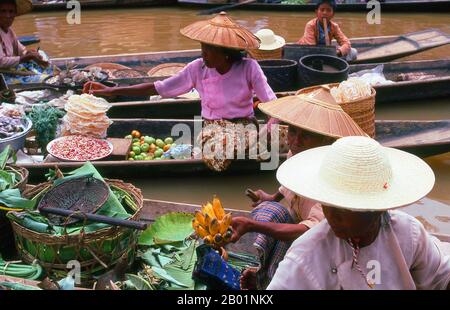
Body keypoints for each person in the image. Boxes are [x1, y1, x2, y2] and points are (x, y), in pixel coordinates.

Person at [83, 12, 277, 172]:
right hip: (213, 128)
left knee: (277, 137)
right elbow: (160, 87)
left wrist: (270, 125)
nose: (203, 54)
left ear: (225, 52)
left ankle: (249, 146)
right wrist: (112, 91)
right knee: (217, 154)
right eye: (202, 48)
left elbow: (271, 101)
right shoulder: (197, 68)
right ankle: (242, 149)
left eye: (209, 50)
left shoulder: (249, 68)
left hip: (244, 127)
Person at [268, 136, 450, 289]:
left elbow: (440, 276)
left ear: (377, 210)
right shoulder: (307, 254)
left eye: (346, 208)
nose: (332, 215)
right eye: (328, 203)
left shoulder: (408, 233)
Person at [230, 90, 367, 289]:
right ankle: (264, 274)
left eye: (306, 136)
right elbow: (289, 186)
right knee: (271, 210)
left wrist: (252, 226)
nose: (295, 140)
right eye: (293, 131)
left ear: (326, 140)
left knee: (286, 237)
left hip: (327, 243)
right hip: (301, 226)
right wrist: (272, 197)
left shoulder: (332, 176)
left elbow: (305, 231)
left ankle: (270, 281)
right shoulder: (296, 155)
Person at [0, 0, 47, 69]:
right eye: (3, 11)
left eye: (11, 11)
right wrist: (28, 57)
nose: (8, 16)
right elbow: (1, 62)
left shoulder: (9, 31)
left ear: (15, 14)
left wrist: (29, 53)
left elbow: (20, 50)